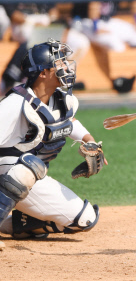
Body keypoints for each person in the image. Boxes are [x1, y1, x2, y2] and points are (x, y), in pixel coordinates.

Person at [0, 39, 106, 250]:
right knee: (29, 167)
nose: (66, 67)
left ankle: (10, 224)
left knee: (85, 218)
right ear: (43, 73)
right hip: (8, 173)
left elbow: (68, 122)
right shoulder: (15, 104)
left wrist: (91, 143)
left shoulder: (62, 100)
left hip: (26, 180)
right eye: (59, 63)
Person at [0, 0, 89, 95]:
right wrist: (34, 23)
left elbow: (53, 9)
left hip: (46, 22)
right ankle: (18, 78)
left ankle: (60, 79)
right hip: (23, 24)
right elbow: (12, 13)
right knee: (35, 36)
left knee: (81, 41)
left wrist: (50, 21)